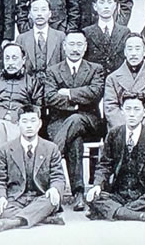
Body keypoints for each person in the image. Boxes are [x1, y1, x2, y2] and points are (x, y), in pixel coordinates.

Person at [86, 92, 145, 223]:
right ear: (122, 111)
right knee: (93, 197)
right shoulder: (114, 134)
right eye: (128, 109)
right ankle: (138, 215)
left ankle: (116, 212)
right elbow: (104, 165)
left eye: (137, 109)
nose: (132, 114)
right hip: (119, 194)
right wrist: (97, 185)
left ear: (144, 112)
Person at [44, 31, 104, 211]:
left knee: (76, 119)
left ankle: (49, 159)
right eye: (71, 44)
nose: (75, 49)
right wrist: (78, 103)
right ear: (64, 46)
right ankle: (79, 193)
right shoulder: (53, 70)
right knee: (74, 140)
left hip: (89, 121)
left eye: (79, 45)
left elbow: (95, 93)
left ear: (85, 47)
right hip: (59, 122)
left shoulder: (95, 69)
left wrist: (69, 93)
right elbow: (50, 97)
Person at [0, 104, 66, 232]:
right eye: (24, 121)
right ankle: (44, 218)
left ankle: (15, 222)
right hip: (16, 200)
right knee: (1, 209)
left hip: (41, 197)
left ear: (40, 124)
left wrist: (55, 189)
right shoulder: (5, 149)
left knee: (51, 201)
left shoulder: (51, 148)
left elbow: (58, 176)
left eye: (33, 121)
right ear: (17, 124)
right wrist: (0, 197)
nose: (29, 126)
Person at [0, 43, 42, 175]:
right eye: (7, 58)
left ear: (23, 60)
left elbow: (37, 109)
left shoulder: (32, 82)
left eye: (14, 58)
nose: (10, 62)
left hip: (18, 128)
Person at [104, 33, 145, 131]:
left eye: (137, 49)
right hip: (121, 129)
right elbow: (111, 108)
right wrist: (126, 129)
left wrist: (143, 130)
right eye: (130, 49)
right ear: (125, 52)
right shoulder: (112, 78)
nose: (133, 53)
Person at [82, 0, 131, 77]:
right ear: (95, 6)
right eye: (102, 2)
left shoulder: (124, 32)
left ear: (115, 5)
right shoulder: (86, 32)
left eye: (109, 2)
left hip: (118, 80)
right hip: (95, 80)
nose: (106, 6)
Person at [15, 0, 65, 78]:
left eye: (43, 10)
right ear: (30, 14)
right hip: (29, 83)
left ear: (50, 13)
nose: (39, 14)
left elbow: (64, 65)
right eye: (35, 10)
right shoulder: (21, 39)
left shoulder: (60, 37)